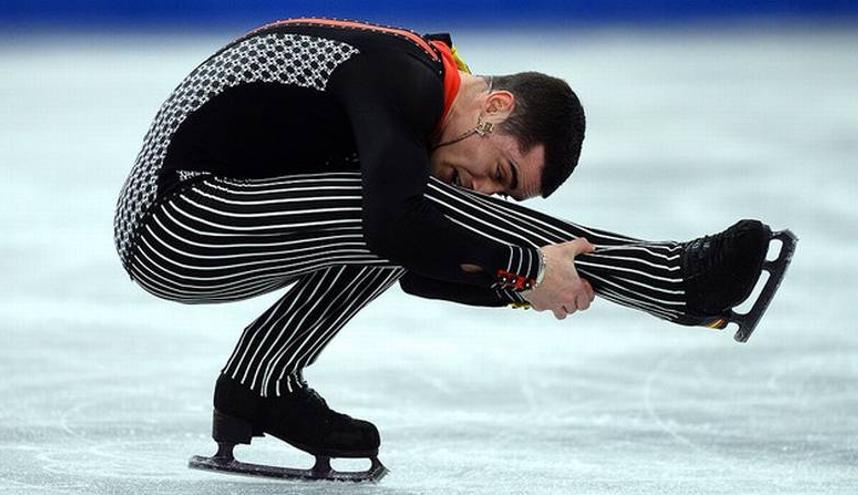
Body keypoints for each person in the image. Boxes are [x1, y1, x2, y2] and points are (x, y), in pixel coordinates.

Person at [113, 17, 795, 481]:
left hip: (217, 214)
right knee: (402, 204)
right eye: (500, 172)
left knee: (407, 205)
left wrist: (517, 283)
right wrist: (527, 266)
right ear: (494, 108)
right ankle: (671, 277)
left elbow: (420, 271)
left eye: (505, 195)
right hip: (176, 221)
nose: (485, 190)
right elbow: (397, 229)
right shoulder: (398, 76)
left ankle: (259, 383)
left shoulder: (422, 103)